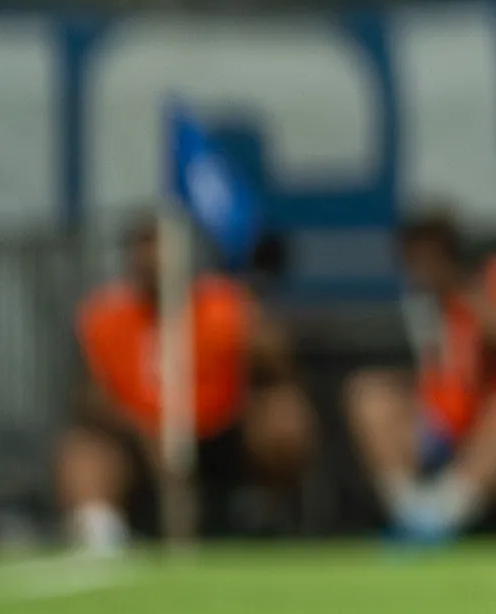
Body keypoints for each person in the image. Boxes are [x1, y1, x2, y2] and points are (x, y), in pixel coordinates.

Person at [60, 218, 314, 553]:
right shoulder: (106, 315)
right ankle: (98, 529)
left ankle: (271, 515)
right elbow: (91, 396)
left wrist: (259, 332)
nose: (153, 261)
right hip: (138, 435)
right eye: (144, 250)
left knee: (283, 415)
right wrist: (142, 429)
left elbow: (278, 367)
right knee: (84, 449)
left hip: (220, 430)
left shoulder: (225, 305)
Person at [344, 210, 496, 545]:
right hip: (446, 431)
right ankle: (410, 514)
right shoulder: (428, 303)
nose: (420, 271)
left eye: (428, 258)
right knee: (369, 395)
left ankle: (439, 522)